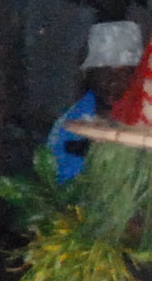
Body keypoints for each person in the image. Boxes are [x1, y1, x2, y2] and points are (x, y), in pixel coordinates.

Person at [46, 19, 143, 182]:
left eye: (123, 73)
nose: (113, 82)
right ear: (90, 76)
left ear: (139, 77)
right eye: (105, 72)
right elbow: (55, 184)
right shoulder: (68, 127)